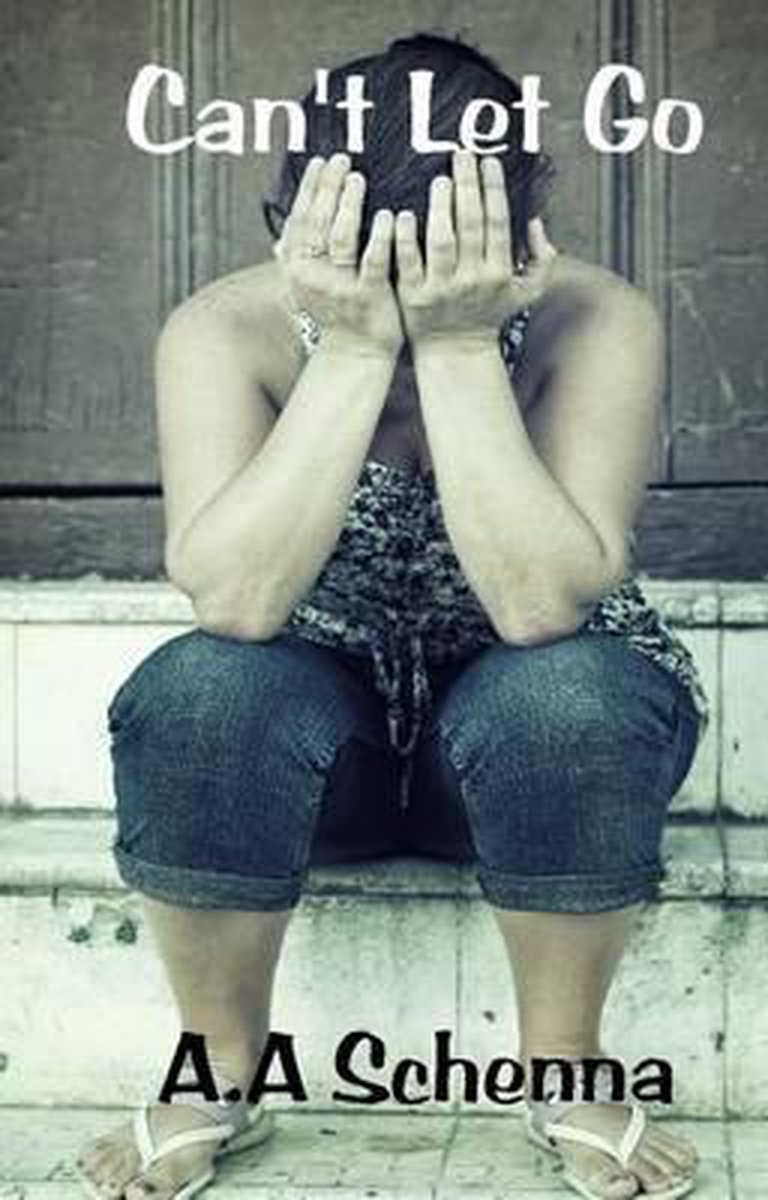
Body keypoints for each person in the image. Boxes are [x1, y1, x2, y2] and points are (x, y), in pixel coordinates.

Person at [76, 33, 707, 1200]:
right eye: (377, 269)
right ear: (295, 234)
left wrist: (462, 346)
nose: (415, 298)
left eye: (449, 266)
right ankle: (217, 1074)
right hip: (316, 761)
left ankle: (566, 1068)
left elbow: (539, 605)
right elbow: (237, 601)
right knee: (198, 687)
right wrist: (353, 348)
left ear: (520, 239)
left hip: (538, 758)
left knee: (567, 692)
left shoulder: (594, 320)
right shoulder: (223, 331)